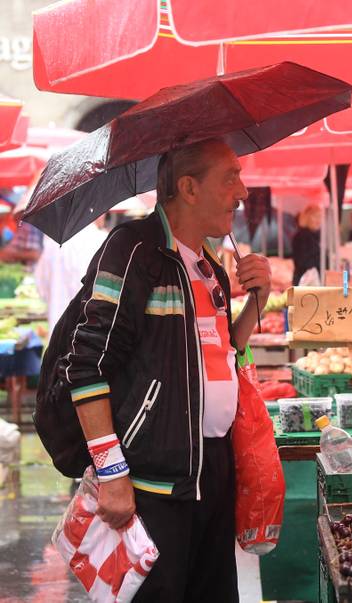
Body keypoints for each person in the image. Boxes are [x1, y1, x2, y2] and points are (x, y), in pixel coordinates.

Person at [51, 138, 271, 601]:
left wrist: (257, 303)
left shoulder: (209, 263)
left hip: (210, 470)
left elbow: (220, 353)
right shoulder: (134, 250)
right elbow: (86, 365)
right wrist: (112, 476)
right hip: (150, 480)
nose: (243, 191)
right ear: (188, 188)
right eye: (230, 176)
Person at [34, 216, 108, 334]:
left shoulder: (53, 243)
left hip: (59, 325)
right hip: (91, 331)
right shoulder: (104, 241)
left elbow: (41, 286)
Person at [291, 203, 322, 285]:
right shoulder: (301, 236)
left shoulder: (317, 235)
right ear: (307, 217)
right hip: (305, 282)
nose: (318, 220)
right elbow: (302, 261)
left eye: (320, 217)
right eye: (315, 216)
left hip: (314, 280)